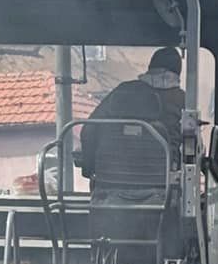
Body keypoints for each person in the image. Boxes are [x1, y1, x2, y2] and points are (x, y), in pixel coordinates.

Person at [78, 46, 186, 180]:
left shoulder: (123, 91)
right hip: (163, 183)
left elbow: (89, 129)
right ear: (177, 74)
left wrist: (89, 168)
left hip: (111, 179)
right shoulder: (182, 99)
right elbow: (189, 143)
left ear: (150, 68)